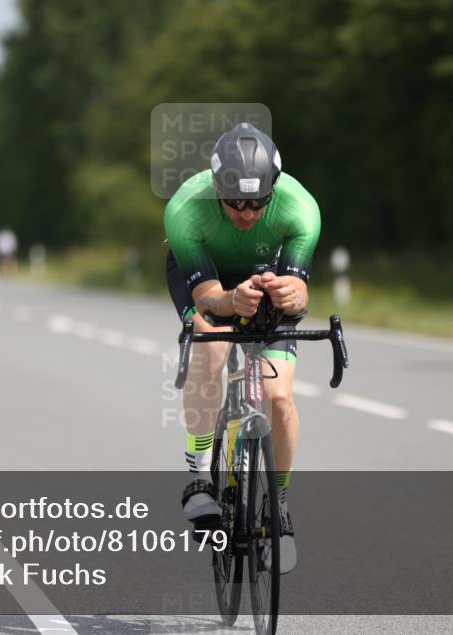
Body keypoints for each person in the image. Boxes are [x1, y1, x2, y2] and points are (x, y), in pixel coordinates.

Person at [163, 122, 321, 574]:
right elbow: (209, 299)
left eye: (257, 203)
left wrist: (292, 294)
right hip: (208, 276)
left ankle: (281, 507)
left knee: (279, 396)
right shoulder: (185, 210)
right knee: (211, 344)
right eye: (235, 203)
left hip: (265, 273)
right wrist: (231, 302)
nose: (247, 213)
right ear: (217, 186)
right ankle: (198, 474)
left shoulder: (301, 209)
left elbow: (301, 291)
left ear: (274, 190)